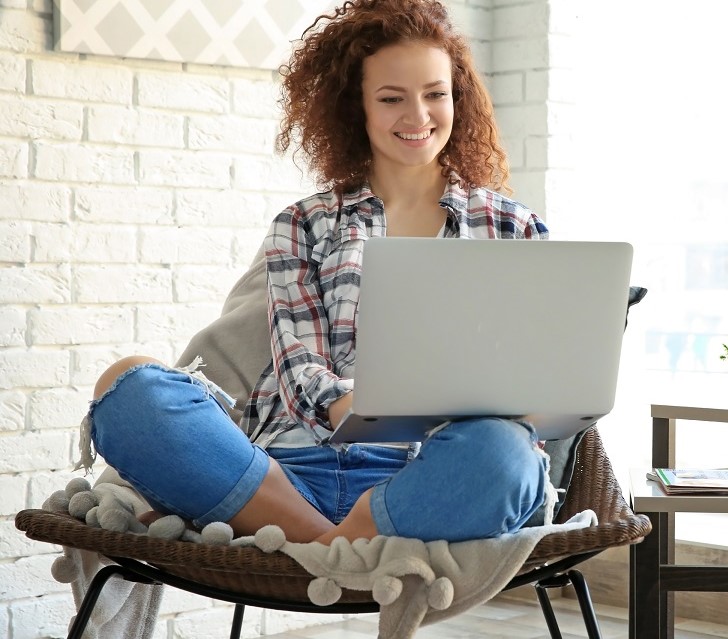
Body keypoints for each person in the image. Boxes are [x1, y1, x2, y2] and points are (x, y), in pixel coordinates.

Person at [83, 0, 551, 545]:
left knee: (508, 455)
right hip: (287, 473)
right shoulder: (303, 224)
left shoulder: (514, 228)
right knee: (130, 388)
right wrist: (354, 405)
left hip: (428, 475)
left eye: (435, 94)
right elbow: (300, 364)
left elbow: (529, 379)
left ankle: (321, 547)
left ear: (458, 98)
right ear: (358, 108)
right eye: (391, 98)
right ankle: (342, 548)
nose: (418, 116)